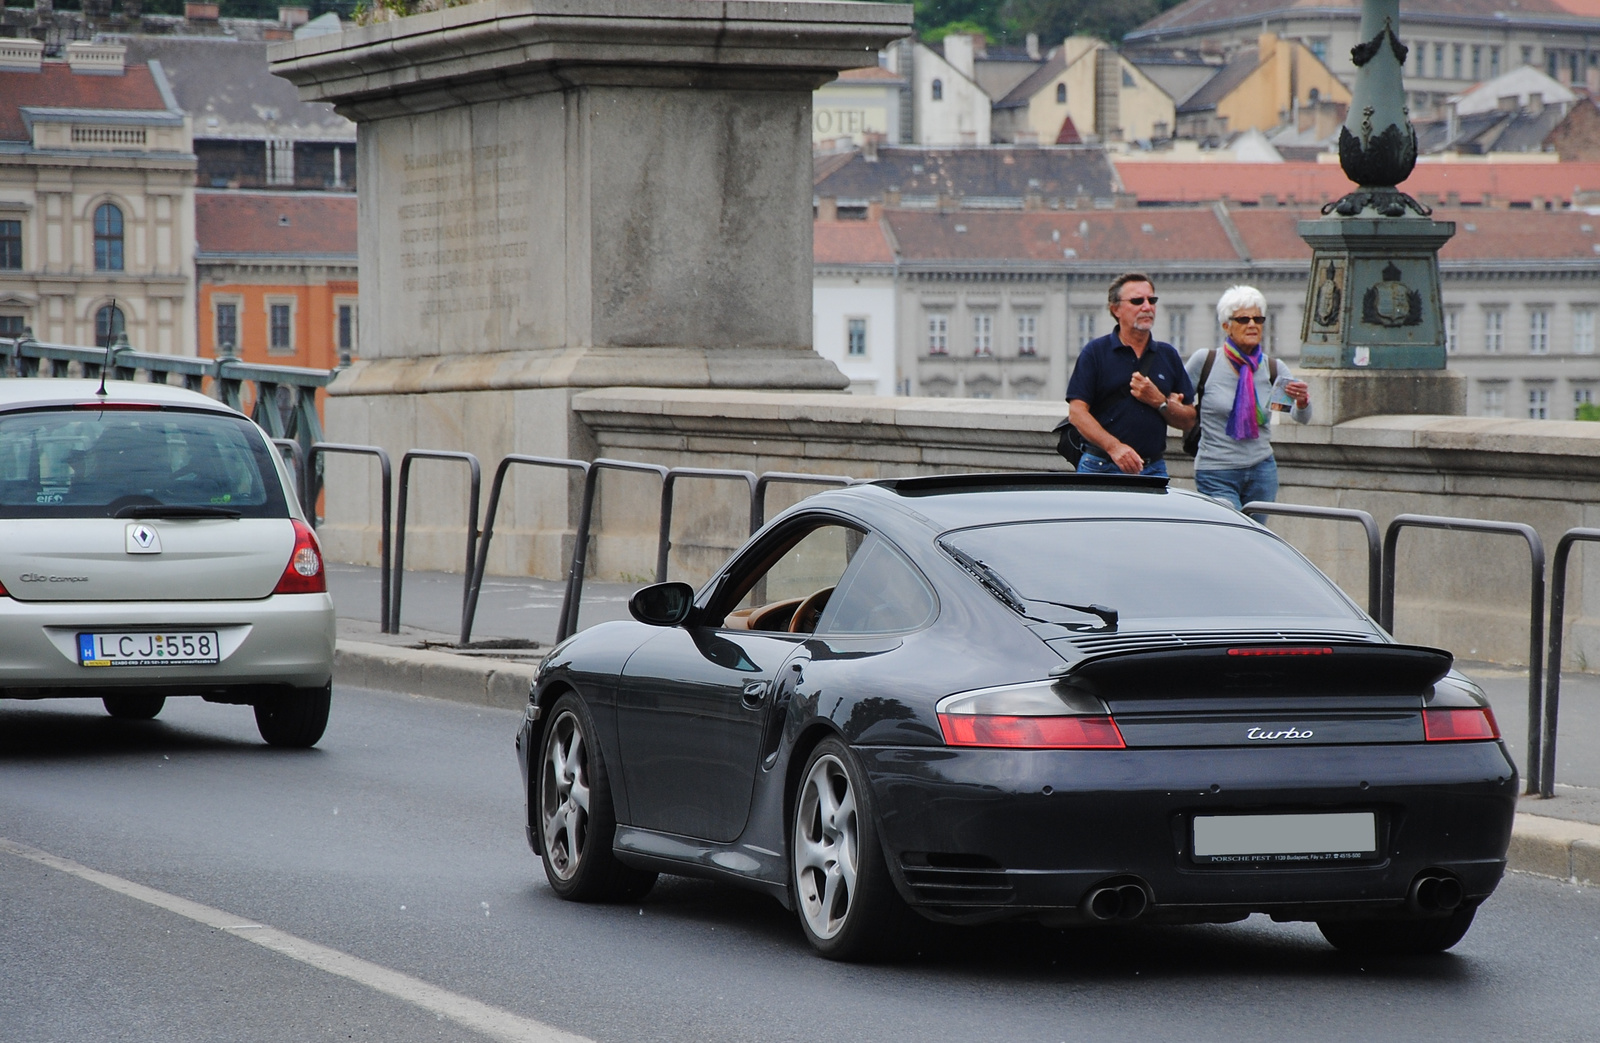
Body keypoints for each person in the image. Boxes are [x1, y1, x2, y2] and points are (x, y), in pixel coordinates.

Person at [1185, 285, 1312, 512]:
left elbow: (1300, 417)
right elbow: (1179, 398)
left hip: (1261, 470)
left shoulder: (1272, 368)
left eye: (1258, 319)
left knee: (1255, 541)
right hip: (1216, 471)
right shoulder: (1206, 362)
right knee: (1229, 537)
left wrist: (1302, 402)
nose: (1252, 324)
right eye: (1243, 319)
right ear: (1226, 326)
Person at [1065, 273, 1196, 477]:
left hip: (1152, 468)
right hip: (1101, 466)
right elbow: (1077, 413)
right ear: (1115, 309)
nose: (1147, 307)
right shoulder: (1095, 352)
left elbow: (1189, 420)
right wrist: (1115, 448)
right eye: (1137, 301)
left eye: (1151, 300)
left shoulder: (1167, 355)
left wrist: (1160, 401)